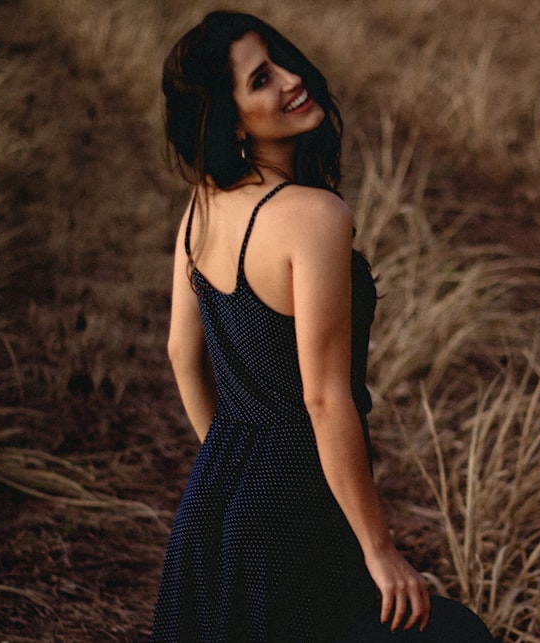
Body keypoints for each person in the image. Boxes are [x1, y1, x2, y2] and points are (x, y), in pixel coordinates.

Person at [152, 11, 495, 642]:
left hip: (216, 501)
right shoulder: (314, 215)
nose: (290, 78)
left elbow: (181, 353)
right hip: (301, 507)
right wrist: (380, 547)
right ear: (232, 120)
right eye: (261, 79)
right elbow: (324, 397)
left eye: (281, 59)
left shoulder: (202, 207)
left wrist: (230, 463)